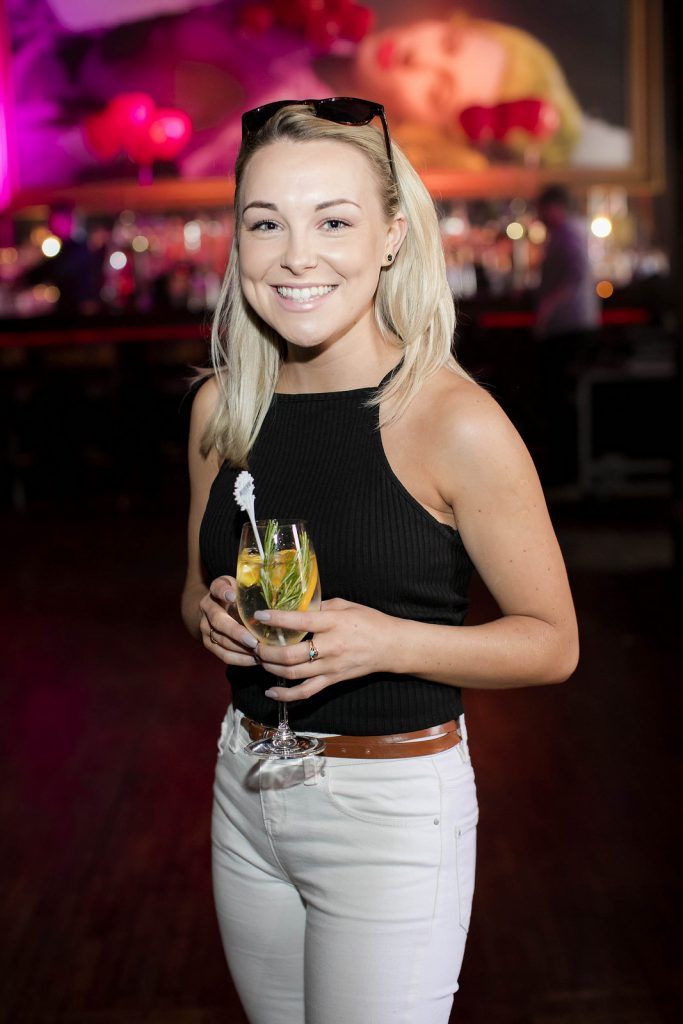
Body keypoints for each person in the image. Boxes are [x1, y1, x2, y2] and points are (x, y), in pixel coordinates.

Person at [181, 99, 579, 1024]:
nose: (297, 254)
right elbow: (191, 594)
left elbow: (552, 644)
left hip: (390, 808)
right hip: (244, 783)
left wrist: (381, 641)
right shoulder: (219, 413)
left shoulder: (452, 420)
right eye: (265, 222)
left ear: (393, 234)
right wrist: (213, 611)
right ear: (235, 239)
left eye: (334, 220)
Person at [534, 184, 601, 486]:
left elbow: (574, 274)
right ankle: (568, 468)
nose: (539, 216)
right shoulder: (565, 233)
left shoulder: (567, 233)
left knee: (562, 398)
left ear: (554, 206)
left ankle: (568, 470)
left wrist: (547, 307)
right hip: (571, 327)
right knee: (561, 397)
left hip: (570, 328)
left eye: (542, 209)